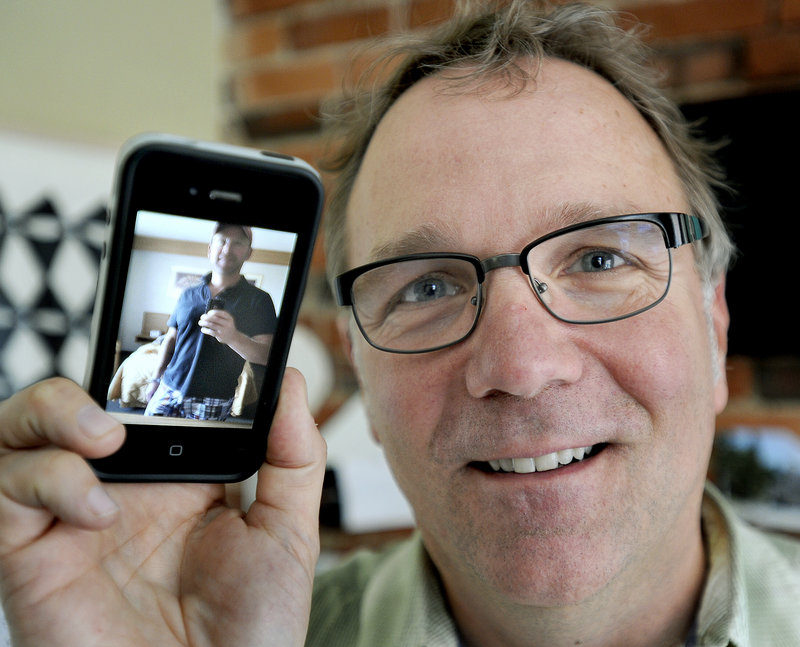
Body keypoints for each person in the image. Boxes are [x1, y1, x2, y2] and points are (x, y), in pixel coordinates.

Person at [0, 2, 798, 646]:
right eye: (426, 286)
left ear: (714, 317)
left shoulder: (250, 307)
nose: (521, 366)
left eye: (597, 260)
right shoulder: (234, 630)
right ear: (361, 371)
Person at [144, 222, 277, 420]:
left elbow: (268, 356)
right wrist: (155, 378)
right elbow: (171, 339)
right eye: (222, 241)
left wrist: (232, 337)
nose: (227, 248)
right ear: (209, 249)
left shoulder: (260, 300)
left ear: (249, 253)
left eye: (237, 243)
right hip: (169, 387)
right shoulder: (187, 294)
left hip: (214, 399)